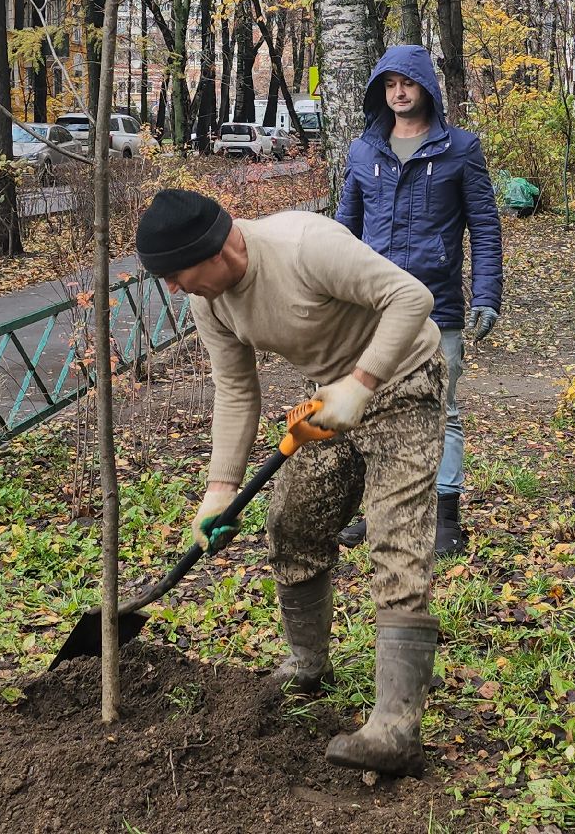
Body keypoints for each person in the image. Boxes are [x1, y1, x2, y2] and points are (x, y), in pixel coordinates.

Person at [134, 187, 445, 777]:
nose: (173, 289)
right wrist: (220, 489)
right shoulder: (212, 300)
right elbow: (236, 390)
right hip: (329, 406)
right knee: (292, 524)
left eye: (176, 273)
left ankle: (396, 728)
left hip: (403, 380)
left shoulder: (305, 246)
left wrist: (363, 381)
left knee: (395, 539)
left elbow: (413, 296)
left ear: (216, 246)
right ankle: (308, 663)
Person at [334, 45, 504, 558]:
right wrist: (332, 292)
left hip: (437, 305)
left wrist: (488, 293)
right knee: (369, 406)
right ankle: (377, 508)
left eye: (407, 83)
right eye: (389, 85)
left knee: (442, 408)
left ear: (426, 88)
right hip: (372, 307)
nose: (399, 93)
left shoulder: (460, 150)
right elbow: (343, 230)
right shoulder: (364, 152)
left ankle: (446, 516)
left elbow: (485, 227)